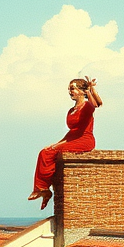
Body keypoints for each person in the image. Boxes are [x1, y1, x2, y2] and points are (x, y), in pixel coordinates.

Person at [29, 77, 103, 209]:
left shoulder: (86, 106)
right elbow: (71, 133)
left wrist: (91, 89)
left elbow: (96, 104)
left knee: (51, 152)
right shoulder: (71, 110)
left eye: (73, 88)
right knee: (45, 151)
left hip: (85, 140)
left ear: (81, 91)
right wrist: (56, 144)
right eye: (69, 89)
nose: (70, 91)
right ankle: (43, 189)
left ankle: (43, 188)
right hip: (72, 139)